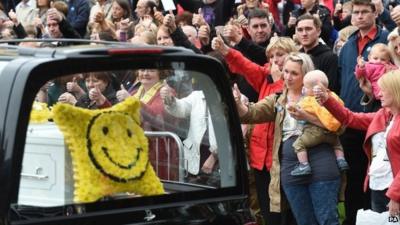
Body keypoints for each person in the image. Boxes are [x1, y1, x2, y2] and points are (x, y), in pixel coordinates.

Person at [234, 52, 340, 225]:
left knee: (327, 219)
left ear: (306, 75)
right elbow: (251, 114)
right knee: (304, 221)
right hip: (290, 167)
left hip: (321, 161)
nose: (288, 77)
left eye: (294, 73)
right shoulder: (278, 99)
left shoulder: (321, 96)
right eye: (285, 71)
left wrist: (306, 116)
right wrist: (238, 103)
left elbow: (339, 125)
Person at [212, 36, 298, 224]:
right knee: (269, 213)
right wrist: (227, 51)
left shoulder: (296, 81)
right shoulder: (265, 76)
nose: (275, 60)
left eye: (280, 55)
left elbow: (279, 106)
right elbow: (246, 66)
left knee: (286, 214)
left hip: (281, 159)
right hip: (260, 159)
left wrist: (277, 81)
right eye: (272, 56)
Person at [314, 70, 400, 216]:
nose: (379, 94)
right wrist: (327, 100)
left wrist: (395, 195)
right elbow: (350, 118)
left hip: (394, 191)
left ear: (396, 91)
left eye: (383, 90)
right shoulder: (383, 114)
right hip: (377, 186)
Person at [338, 1, 390, 223]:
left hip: (380, 119)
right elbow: (342, 80)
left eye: (364, 12)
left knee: (377, 179)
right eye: (355, 12)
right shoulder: (348, 45)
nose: (359, 16)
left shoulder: (386, 40)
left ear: (374, 12)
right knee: (354, 179)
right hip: (350, 122)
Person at [289, 70, 349, 176]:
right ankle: (341, 160)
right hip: (332, 134)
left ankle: (304, 165)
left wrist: (292, 106)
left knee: (298, 144)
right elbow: (342, 106)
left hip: (314, 133)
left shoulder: (309, 100)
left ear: (314, 89)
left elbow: (299, 108)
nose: (303, 89)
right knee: (337, 145)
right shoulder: (333, 96)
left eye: (306, 87)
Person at [160, 84, 219, 186]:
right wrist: (170, 99)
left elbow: (234, 134)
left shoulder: (234, 98)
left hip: (219, 161)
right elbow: (181, 108)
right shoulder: (197, 96)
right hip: (196, 160)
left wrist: (214, 156)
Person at [295, 14, 340, 94]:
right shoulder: (296, 57)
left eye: (308, 29)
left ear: (318, 31)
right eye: (300, 30)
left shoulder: (330, 57)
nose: (304, 33)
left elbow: (331, 90)